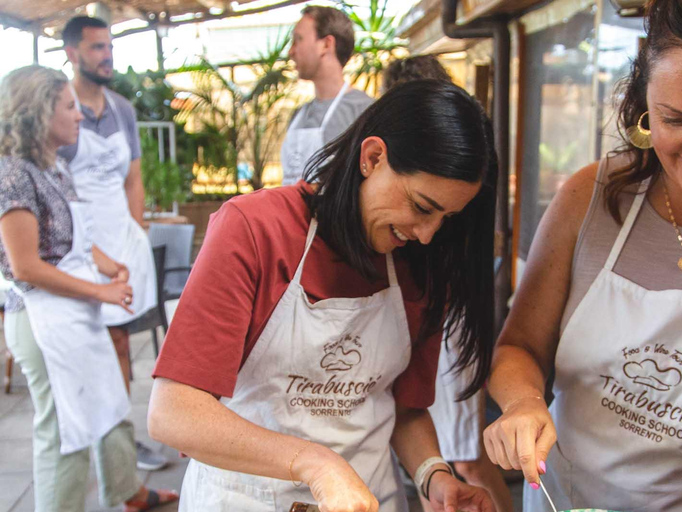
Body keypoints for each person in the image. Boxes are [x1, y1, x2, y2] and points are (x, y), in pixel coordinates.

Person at [148, 79, 497, 512]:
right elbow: (174, 412)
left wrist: (434, 478)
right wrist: (315, 463)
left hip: (369, 499)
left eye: (446, 218)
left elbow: (404, 410)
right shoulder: (255, 230)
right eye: (422, 207)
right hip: (246, 498)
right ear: (373, 158)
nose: (427, 234)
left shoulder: (420, 264)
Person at [483, 0, 682, 510]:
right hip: (566, 498)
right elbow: (518, 348)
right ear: (643, 104)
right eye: (673, 118)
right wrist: (524, 404)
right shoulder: (590, 196)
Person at [0, 65, 178, 512]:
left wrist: (109, 265)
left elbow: (69, 238)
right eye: (68, 106)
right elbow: (26, 266)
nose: (79, 116)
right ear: (38, 114)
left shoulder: (54, 165)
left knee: (110, 401)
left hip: (74, 311)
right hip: (42, 320)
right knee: (66, 429)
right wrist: (100, 291)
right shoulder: (12, 175)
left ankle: (128, 492)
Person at [382, 56, 515, 512]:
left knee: (466, 457)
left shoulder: (462, 174)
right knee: (434, 461)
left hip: (452, 320)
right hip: (426, 318)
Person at [59, 16, 166, 471]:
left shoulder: (121, 106)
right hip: (79, 248)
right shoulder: (59, 109)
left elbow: (134, 177)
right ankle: (95, 445)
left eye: (109, 47)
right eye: (97, 47)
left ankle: (119, 448)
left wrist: (136, 229)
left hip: (122, 242)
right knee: (89, 350)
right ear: (72, 53)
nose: (107, 56)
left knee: (120, 344)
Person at [281, 4, 373, 185]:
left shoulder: (365, 111)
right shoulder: (299, 115)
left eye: (298, 40)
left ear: (326, 44)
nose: (291, 52)